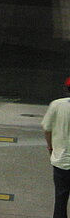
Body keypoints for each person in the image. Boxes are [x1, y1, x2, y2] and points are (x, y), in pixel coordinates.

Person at [43, 77, 70, 218]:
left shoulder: (57, 105)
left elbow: (47, 129)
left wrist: (51, 148)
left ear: (66, 89)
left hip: (62, 161)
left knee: (60, 199)